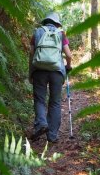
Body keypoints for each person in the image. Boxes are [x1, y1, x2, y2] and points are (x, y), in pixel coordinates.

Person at [29, 12, 72, 143]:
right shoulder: (61, 33)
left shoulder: (37, 32)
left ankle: (41, 124)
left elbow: (31, 54)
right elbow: (69, 55)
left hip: (39, 71)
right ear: (57, 23)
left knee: (40, 100)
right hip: (56, 72)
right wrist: (67, 67)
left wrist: (30, 73)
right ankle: (52, 135)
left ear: (45, 21)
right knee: (55, 102)